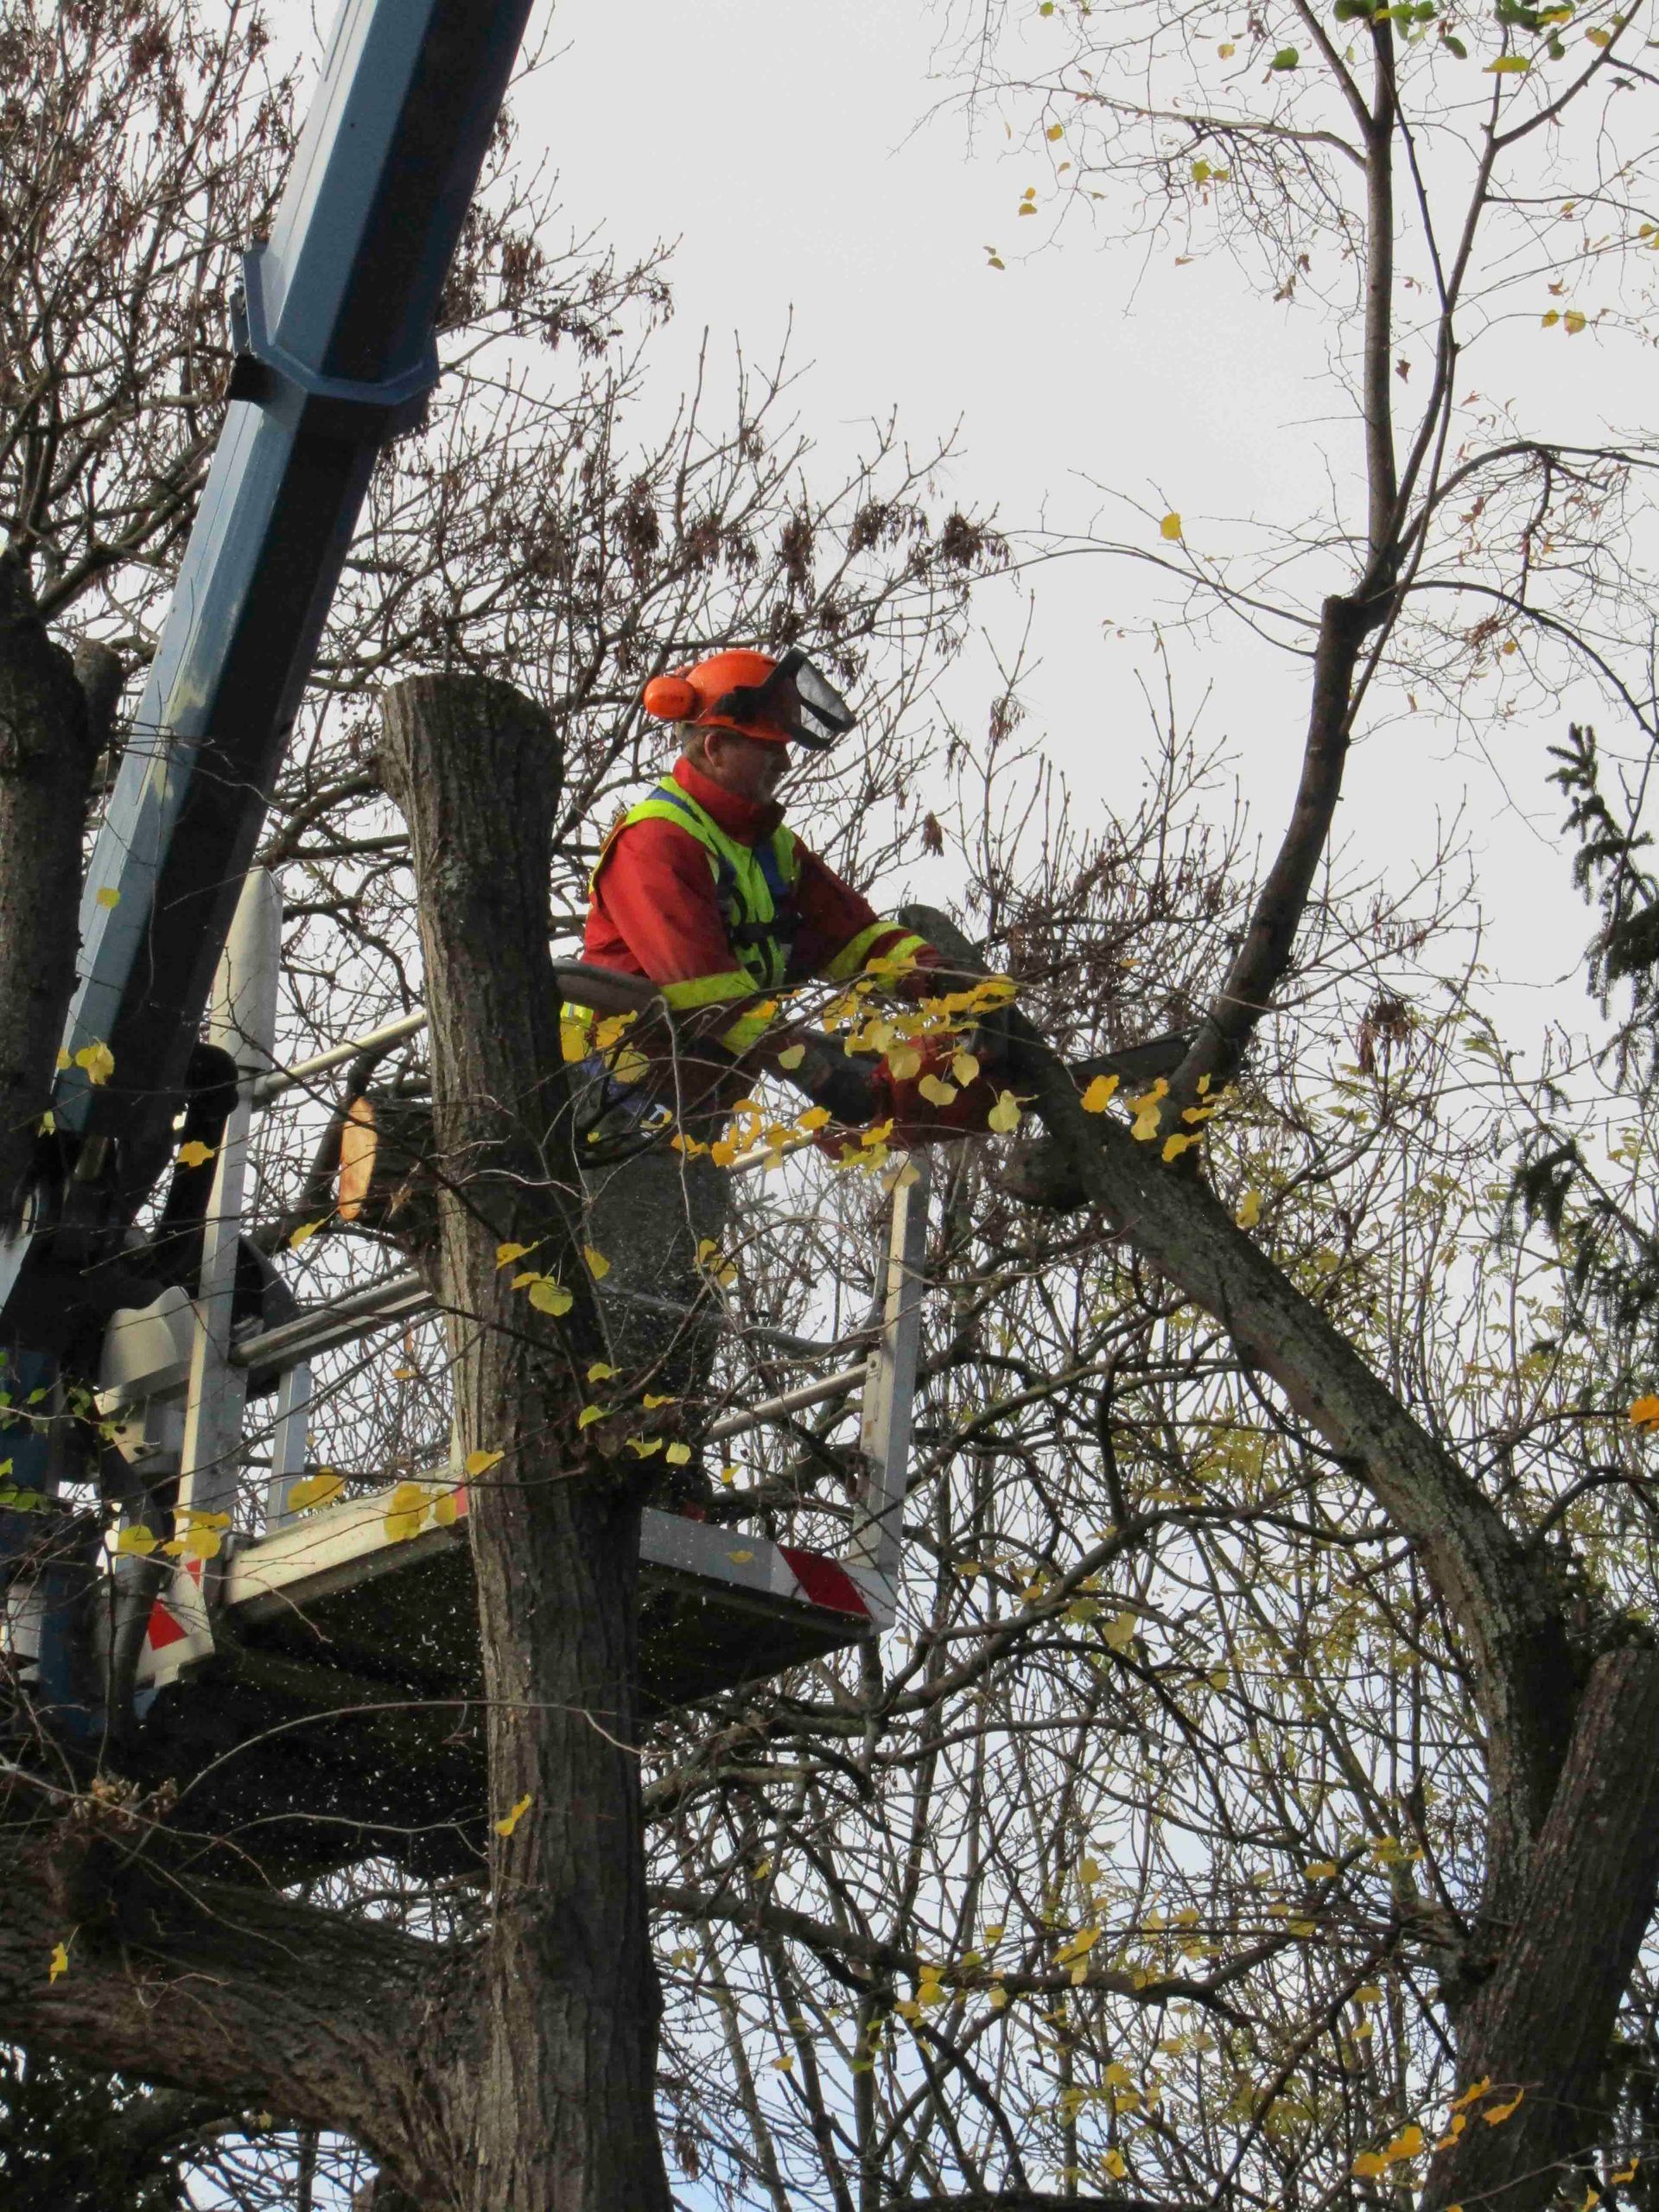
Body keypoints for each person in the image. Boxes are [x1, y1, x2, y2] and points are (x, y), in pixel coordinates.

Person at [569, 647, 957, 1496]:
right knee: (638, 1289)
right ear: (712, 745)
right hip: (611, 1099)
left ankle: (670, 1469)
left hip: (691, 1112)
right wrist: (819, 1067)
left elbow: (849, 938)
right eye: (768, 743)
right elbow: (705, 994)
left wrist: (931, 973)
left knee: (688, 1291)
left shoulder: (772, 848)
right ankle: (613, 1470)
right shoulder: (657, 843)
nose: (784, 758)